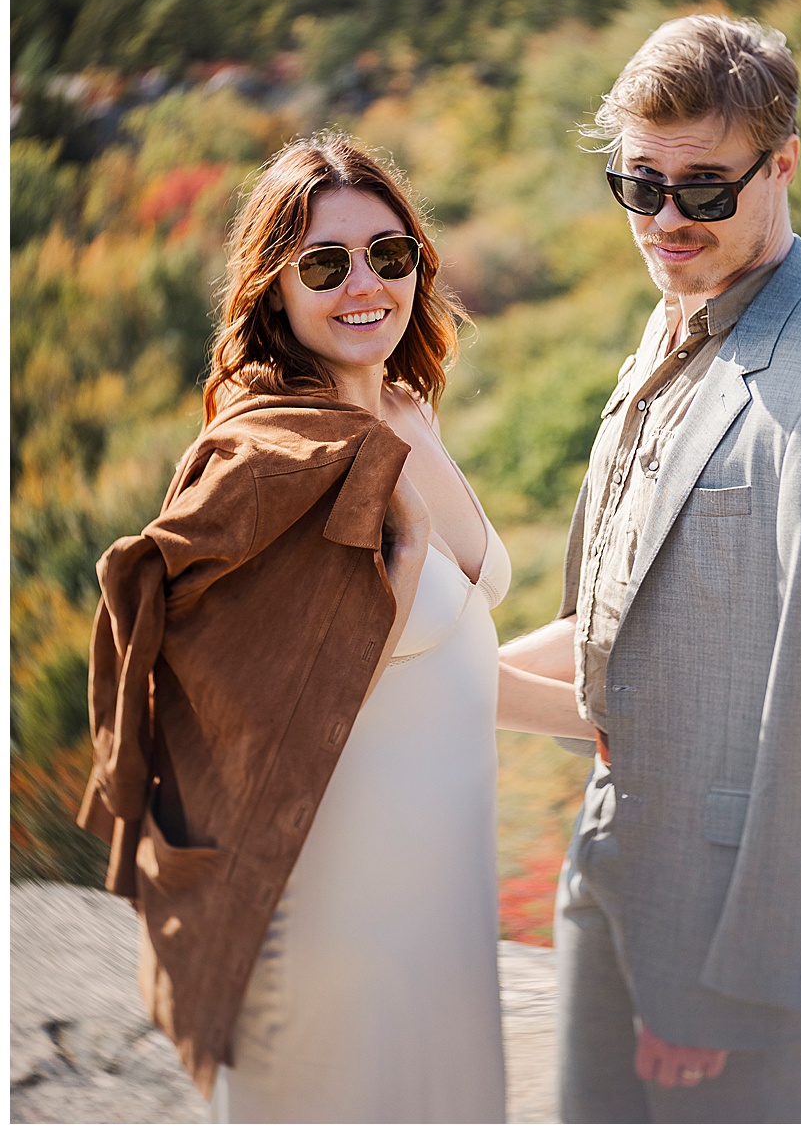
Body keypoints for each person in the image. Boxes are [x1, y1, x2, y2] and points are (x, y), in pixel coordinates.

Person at [494, 14, 801, 1122]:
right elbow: (622, 623)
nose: (664, 219)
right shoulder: (674, 317)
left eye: (703, 188)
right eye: (637, 184)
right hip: (616, 867)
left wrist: (729, 995)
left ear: (780, 164)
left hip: (721, 941)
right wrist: (426, 673)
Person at [77, 135, 519, 1119]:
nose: (364, 284)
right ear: (273, 288)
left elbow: (452, 655)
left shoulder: (400, 414)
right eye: (325, 264)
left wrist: (604, 707)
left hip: (435, 916)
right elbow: (266, 711)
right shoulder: (268, 462)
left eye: (388, 255)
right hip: (326, 935)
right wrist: (399, 566)